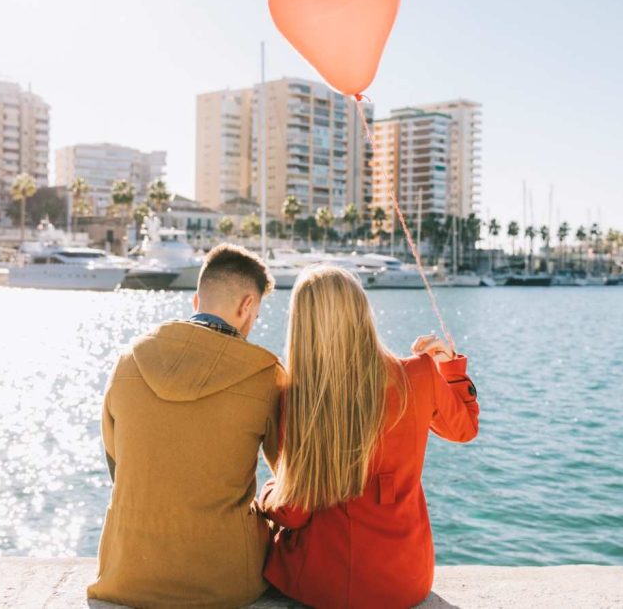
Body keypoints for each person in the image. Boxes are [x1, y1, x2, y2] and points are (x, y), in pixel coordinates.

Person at [259, 265, 480, 609]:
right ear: (363, 311)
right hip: (407, 580)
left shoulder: (300, 395)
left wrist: (268, 493)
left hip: (324, 583)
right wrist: (449, 368)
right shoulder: (420, 373)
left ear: (302, 325)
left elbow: (293, 512)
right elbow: (464, 430)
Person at [88, 243, 283, 608]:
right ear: (246, 307)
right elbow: (287, 474)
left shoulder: (129, 360)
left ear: (196, 302)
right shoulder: (266, 374)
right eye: (255, 314)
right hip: (225, 580)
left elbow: (117, 460)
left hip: (127, 571)